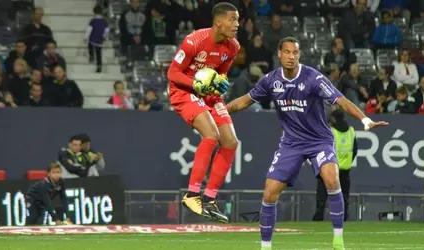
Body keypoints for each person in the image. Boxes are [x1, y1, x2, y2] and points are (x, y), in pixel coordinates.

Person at [226, 36, 388, 250]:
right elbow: (244, 101)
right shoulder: (270, 80)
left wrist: (365, 120)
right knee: (269, 192)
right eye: (287, 52)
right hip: (291, 143)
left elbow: (341, 100)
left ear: (299, 55)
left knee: (331, 180)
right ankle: (265, 247)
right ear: (279, 54)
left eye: (295, 53)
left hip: (319, 140)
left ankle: (338, 241)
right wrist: (218, 111)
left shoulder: (313, 78)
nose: (291, 56)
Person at [166, 2, 240, 223]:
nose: (237, 24)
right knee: (211, 135)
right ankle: (192, 195)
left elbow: (222, 74)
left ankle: (209, 199)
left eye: (238, 20)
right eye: (233, 19)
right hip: (183, 92)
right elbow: (172, 73)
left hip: (209, 95)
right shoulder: (194, 40)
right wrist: (197, 85)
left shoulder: (233, 47)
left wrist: (221, 84)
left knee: (230, 141)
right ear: (218, 22)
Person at [313, 109, 357, 222]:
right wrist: (348, 162)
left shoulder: (331, 131)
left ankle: (319, 216)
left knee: (322, 193)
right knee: (344, 195)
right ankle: (344, 217)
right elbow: (355, 149)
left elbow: (323, 148)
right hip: (345, 169)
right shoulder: (351, 131)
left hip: (330, 167)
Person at [85, 5, 109, 73]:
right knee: (99, 54)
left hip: (93, 38)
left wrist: (85, 37)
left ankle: (91, 55)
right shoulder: (104, 21)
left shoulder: (93, 21)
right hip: (99, 40)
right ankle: (99, 67)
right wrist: (104, 36)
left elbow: (89, 30)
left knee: (90, 45)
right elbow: (107, 30)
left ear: (94, 13)